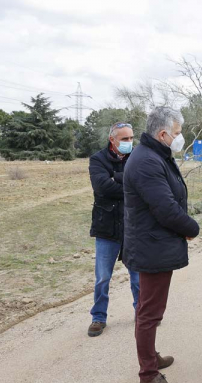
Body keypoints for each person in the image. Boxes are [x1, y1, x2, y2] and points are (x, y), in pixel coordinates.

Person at [123, 107, 200, 383]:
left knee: (150, 309)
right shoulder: (146, 161)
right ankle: (148, 376)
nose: (180, 138)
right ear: (163, 133)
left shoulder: (153, 155)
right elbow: (165, 207)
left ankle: (150, 358)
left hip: (153, 244)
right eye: (178, 133)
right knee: (149, 313)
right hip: (151, 246)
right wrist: (191, 227)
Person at [87, 122, 139, 337]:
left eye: (131, 138)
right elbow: (102, 187)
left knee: (138, 277)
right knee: (102, 277)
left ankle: (142, 314)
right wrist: (130, 186)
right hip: (106, 226)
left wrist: (115, 179)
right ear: (112, 139)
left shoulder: (137, 157)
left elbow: (142, 185)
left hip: (133, 226)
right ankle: (98, 317)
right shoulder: (97, 160)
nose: (129, 142)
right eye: (125, 139)